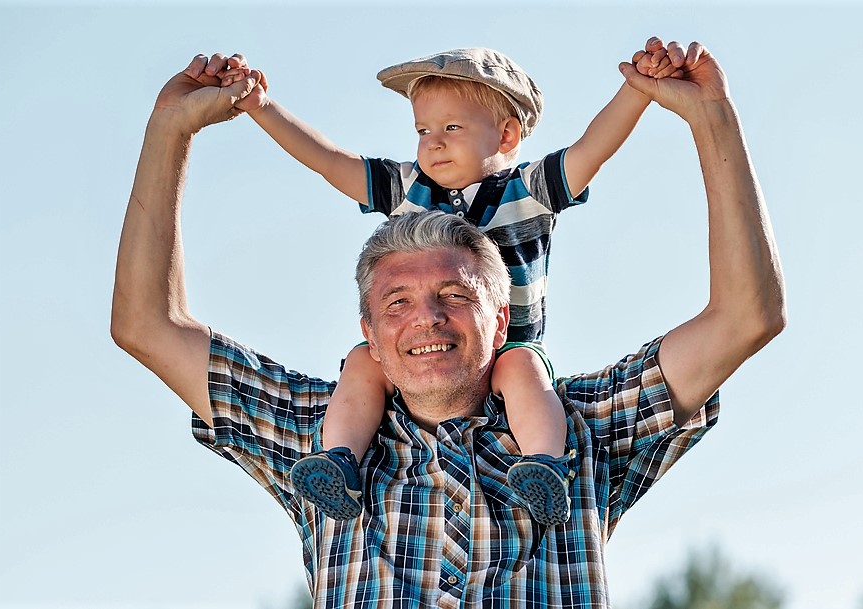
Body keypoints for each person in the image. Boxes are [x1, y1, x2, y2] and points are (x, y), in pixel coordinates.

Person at [111, 37, 785, 608]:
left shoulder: (584, 427)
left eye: (453, 295)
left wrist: (711, 118)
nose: (424, 317)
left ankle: (534, 469)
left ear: (499, 321)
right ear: (368, 332)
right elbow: (147, 323)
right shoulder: (314, 433)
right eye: (396, 302)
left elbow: (746, 316)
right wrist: (171, 130)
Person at [216, 42, 686, 525]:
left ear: (506, 135)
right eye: (423, 130)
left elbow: (593, 148)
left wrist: (637, 91)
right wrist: (260, 107)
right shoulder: (408, 188)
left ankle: (544, 465)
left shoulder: (530, 189)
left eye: (452, 128)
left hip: (509, 344)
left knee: (525, 371)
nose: (433, 142)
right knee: (362, 359)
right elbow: (327, 160)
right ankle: (339, 461)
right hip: (420, 352)